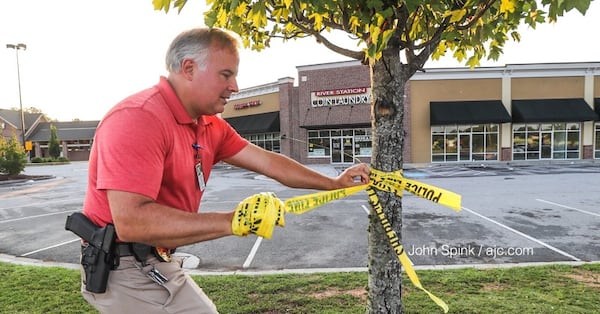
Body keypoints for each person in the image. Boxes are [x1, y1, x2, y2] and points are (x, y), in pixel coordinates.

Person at [78, 27, 370, 313]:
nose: (235, 87)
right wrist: (233, 220)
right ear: (189, 68)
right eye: (226, 75)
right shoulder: (139, 119)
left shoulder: (208, 126)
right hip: (123, 269)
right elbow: (133, 221)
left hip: (154, 261)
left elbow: (270, 163)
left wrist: (334, 183)